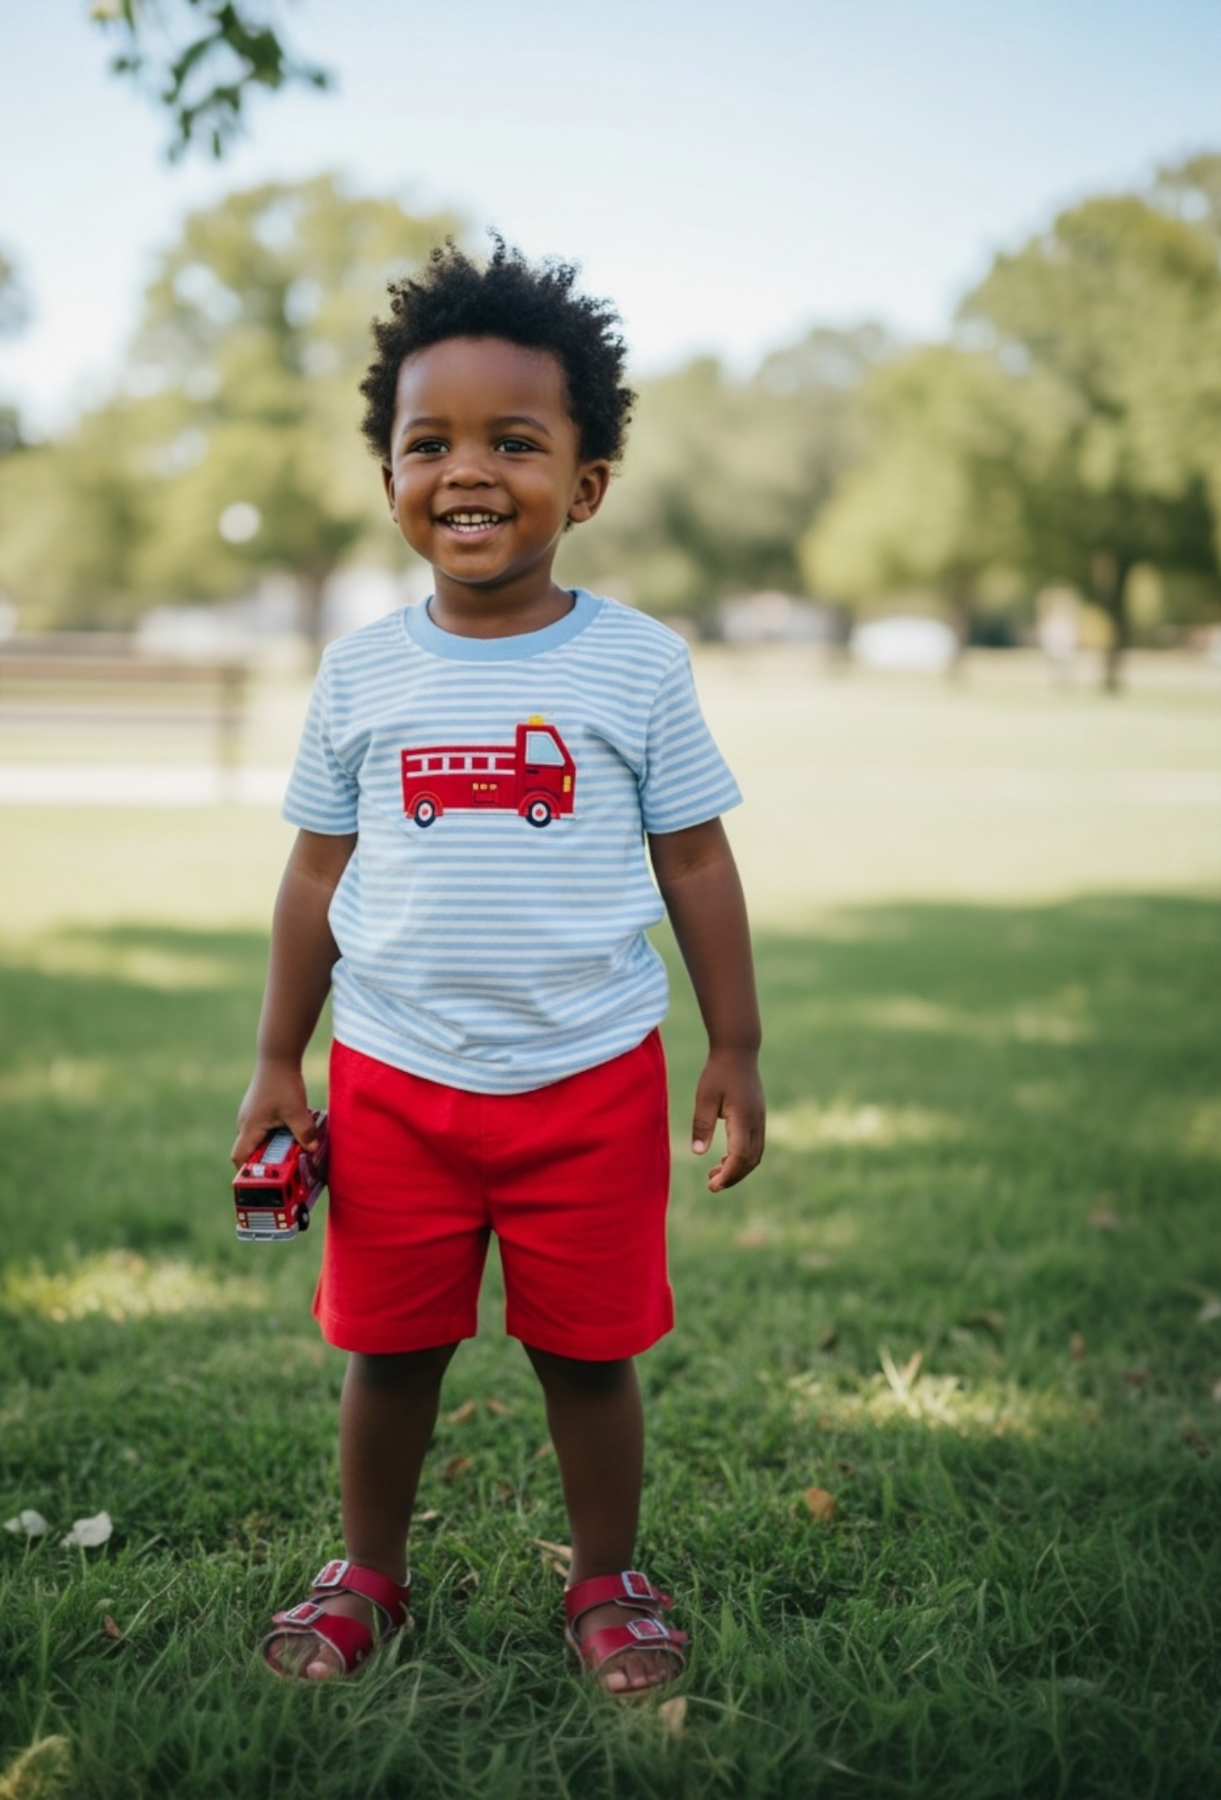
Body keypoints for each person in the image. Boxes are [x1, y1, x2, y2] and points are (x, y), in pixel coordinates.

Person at [231, 240, 765, 1696]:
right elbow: (315, 875)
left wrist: (737, 1046)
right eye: (430, 443)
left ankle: (608, 1578)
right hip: (395, 1078)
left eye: (513, 442)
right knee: (389, 1352)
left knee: (588, 1353)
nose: (467, 471)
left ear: (584, 485)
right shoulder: (362, 673)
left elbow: (698, 862)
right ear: (391, 473)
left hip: (588, 1077)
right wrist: (282, 1058)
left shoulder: (635, 665)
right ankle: (368, 1572)